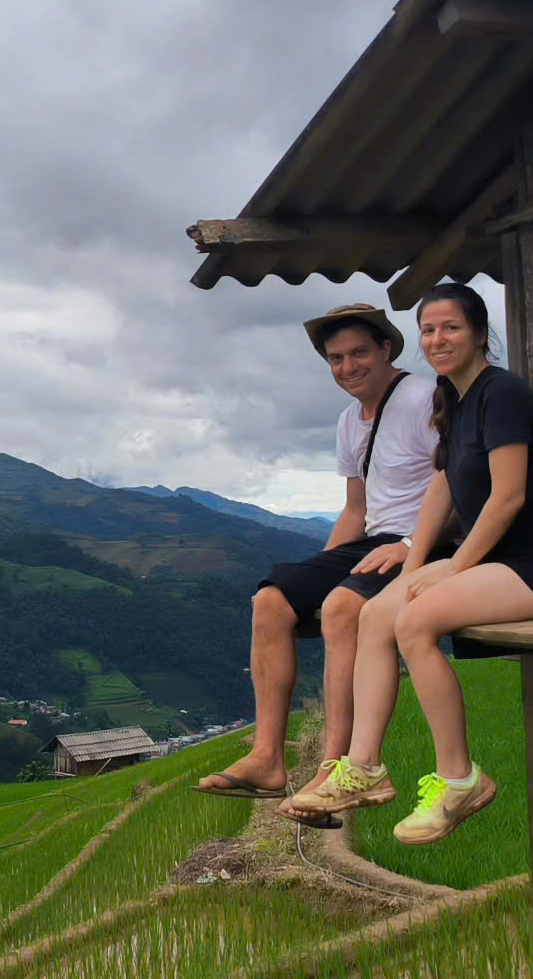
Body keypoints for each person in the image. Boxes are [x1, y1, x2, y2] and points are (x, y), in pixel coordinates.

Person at [279, 282, 533, 845]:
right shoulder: (455, 401)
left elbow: (508, 497)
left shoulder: (503, 394)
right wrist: (416, 563)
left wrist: (453, 568)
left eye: (450, 327)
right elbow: (442, 487)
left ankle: (459, 777)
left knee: (413, 623)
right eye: (428, 329)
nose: (438, 338)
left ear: (477, 332)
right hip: (492, 562)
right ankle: (364, 767)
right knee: (376, 615)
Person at [194, 303, 437, 804]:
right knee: (271, 600)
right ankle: (267, 758)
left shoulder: (424, 399)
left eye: (359, 353)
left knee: (342, 606)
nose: (348, 368)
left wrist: (411, 544)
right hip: (374, 542)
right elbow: (355, 508)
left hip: (430, 544)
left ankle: (337, 766)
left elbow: (460, 487)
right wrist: (320, 573)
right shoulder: (350, 420)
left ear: (387, 349)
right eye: (336, 359)